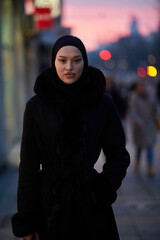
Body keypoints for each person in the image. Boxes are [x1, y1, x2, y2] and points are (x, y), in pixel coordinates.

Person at [11, 35, 130, 240]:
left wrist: (102, 189)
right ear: (53, 62)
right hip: (49, 206)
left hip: (92, 207)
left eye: (76, 60)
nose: (69, 67)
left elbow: (118, 154)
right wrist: (27, 220)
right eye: (62, 60)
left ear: (84, 61)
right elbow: (28, 167)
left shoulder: (102, 104)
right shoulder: (36, 107)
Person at [129, 80, 157, 177]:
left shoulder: (151, 96)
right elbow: (133, 111)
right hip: (139, 127)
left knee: (149, 147)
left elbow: (155, 108)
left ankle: (150, 167)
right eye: (140, 87)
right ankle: (137, 162)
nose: (142, 89)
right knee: (139, 147)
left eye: (143, 87)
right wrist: (139, 121)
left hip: (150, 125)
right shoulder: (134, 97)